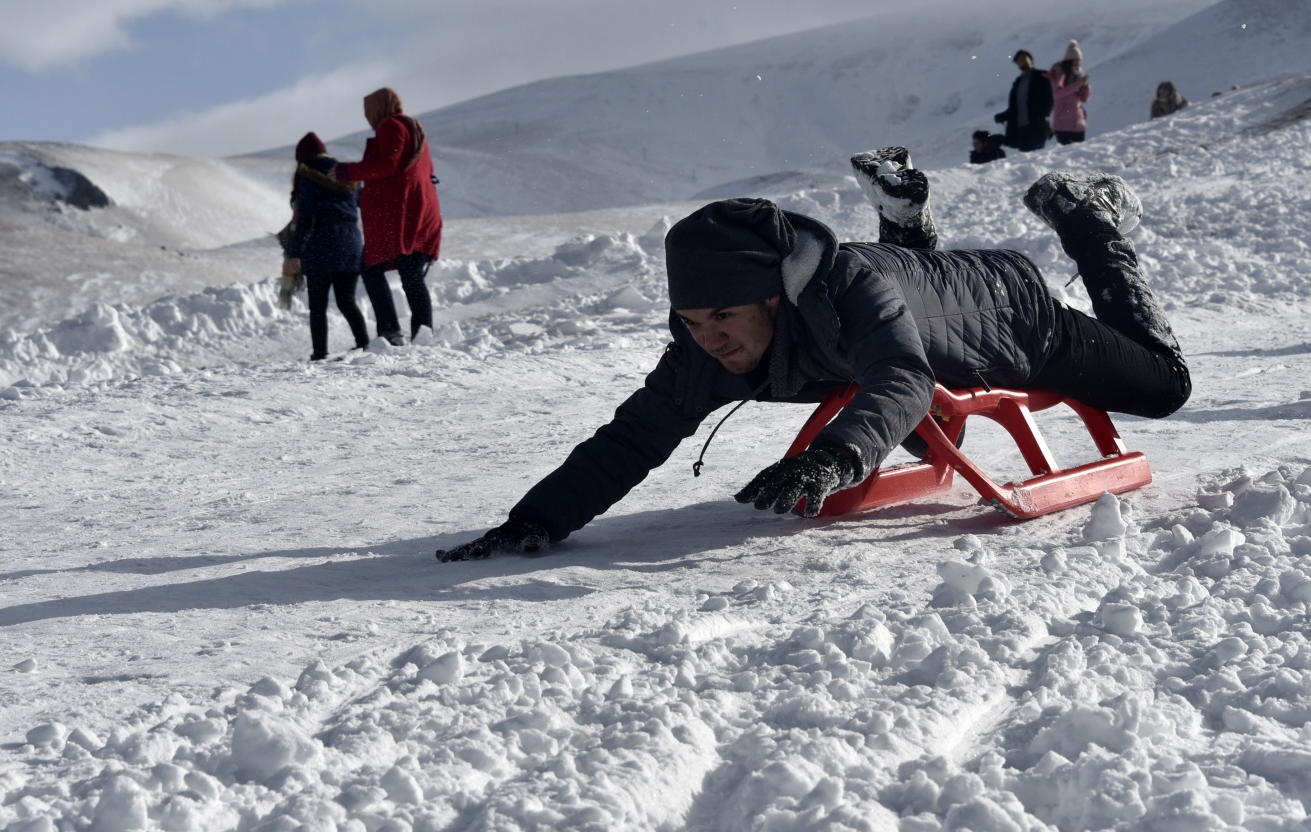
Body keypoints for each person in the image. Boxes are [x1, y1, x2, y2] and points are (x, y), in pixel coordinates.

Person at [437, 146, 1191, 561]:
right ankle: (908, 220)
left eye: (724, 317)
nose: (709, 338)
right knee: (893, 319)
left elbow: (902, 378)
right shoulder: (707, 339)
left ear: (774, 297)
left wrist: (834, 457)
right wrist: (536, 518)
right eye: (691, 320)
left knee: (1165, 385)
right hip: (906, 302)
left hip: (1007, 314)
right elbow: (635, 433)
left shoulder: (845, 291)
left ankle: (1086, 218)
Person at [332, 88, 442, 346]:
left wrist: (346, 172)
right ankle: (422, 333)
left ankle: (392, 332)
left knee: (372, 269)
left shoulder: (391, 126)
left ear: (379, 108)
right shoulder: (413, 128)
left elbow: (388, 164)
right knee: (410, 272)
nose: (369, 118)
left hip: (401, 216)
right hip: (419, 212)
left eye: (369, 112)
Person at [284, 133, 369, 361]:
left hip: (321, 245)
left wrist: (295, 253)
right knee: (347, 301)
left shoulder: (308, 177)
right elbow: (364, 203)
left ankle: (320, 353)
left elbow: (305, 219)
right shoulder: (346, 174)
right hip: (351, 243)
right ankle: (365, 344)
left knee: (318, 306)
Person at [993, 50, 1054, 152]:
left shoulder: (1042, 76)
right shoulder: (1017, 83)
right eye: (1019, 60)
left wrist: (1044, 115)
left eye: (1025, 58)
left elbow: (1049, 99)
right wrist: (1003, 116)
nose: (1022, 61)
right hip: (1021, 128)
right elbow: (1014, 108)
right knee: (1026, 159)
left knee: (1038, 157)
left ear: (1031, 60)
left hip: (1037, 125)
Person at [1049, 40, 1091, 145]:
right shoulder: (1060, 75)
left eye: (1079, 61)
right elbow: (1057, 94)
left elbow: (1084, 99)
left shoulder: (1079, 74)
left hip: (1078, 123)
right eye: (1075, 60)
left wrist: (1086, 87)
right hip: (1062, 124)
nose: (1077, 63)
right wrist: (1076, 85)